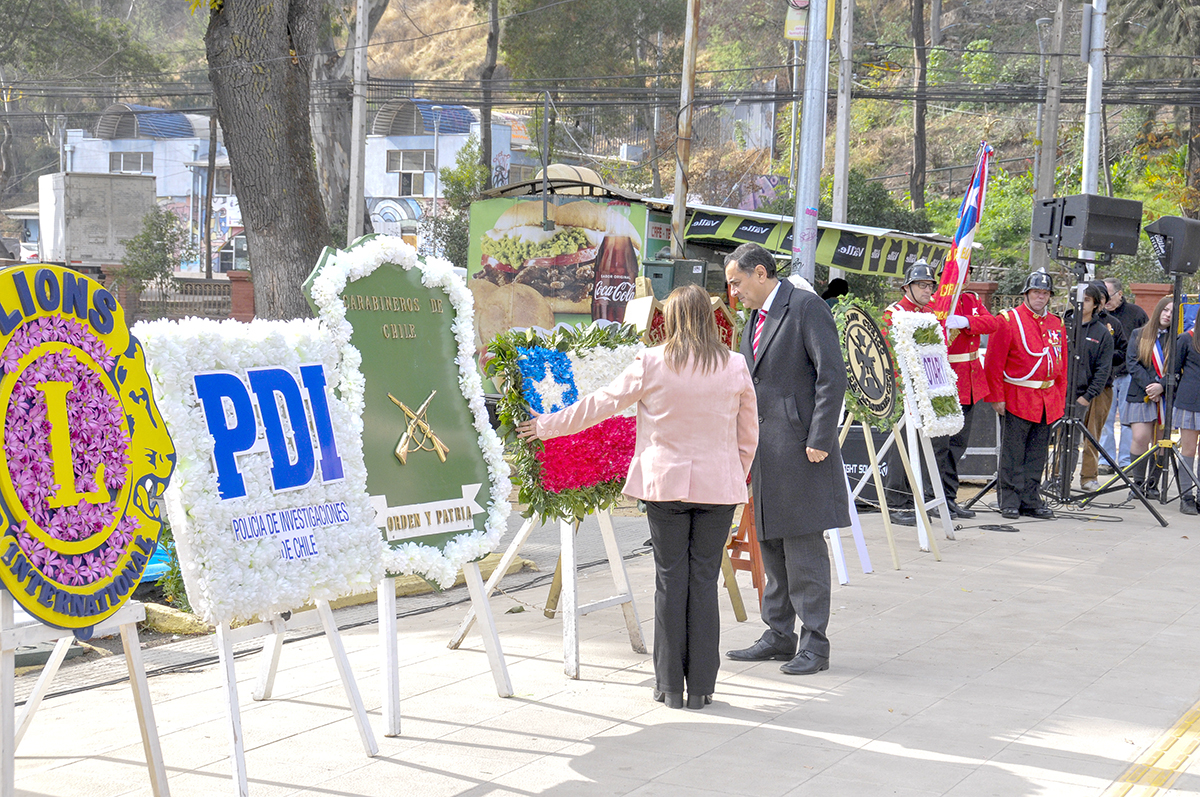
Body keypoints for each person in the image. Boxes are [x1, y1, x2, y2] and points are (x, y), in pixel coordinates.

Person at [517, 284, 758, 710]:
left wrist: (546, 425)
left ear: (672, 319)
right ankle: (702, 687)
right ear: (708, 317)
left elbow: (601, 404)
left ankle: (668, 687)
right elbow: (748, 435)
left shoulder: (651, 362)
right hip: (719, 489)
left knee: (669, 582)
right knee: (703, 583)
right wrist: (733, 474)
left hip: (663, 486)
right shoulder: (736, 365)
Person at [722, 242, 850, 676]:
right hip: (763, 449)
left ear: (761, 273)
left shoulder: (806, 308)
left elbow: (832, 375)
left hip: (801, 448)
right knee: (771, 543)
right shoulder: (755, 318)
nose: (733, 291)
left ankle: (815, 643)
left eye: (737, 282)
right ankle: (778, 633)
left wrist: (820, 436)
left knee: (803, 548)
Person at [984, 269, 1067, 520]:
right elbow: (993, 362)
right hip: (1017, 396)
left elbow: (1060, 365)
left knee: (1037, 453)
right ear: (1026, 294)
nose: (1040, 297)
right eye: (1036, 292)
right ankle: (1009, 500)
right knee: (1013, 453)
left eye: (1045, 293)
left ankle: (1030, 499)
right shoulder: (1008, 320)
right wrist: (997, 396)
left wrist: (1059, 400)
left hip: (1046, 399)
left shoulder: (1056, 323)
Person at [938, 269, 1002, 519]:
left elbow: (992, 323)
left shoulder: (971, 301)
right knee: (943, 446)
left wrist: (966, 322)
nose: (962, 278)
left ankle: (950, 497)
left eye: (967, 273)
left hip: (970, 382)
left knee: (958, 445)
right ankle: (938, 497)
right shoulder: (936, 302)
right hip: (947, 380)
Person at [880, 261, 937, 525]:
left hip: (924, 390)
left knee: (924, 448)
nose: (928, 290)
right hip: (903, 390)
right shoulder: (895, 313)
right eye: (922, 285)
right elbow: (886, 352)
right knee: (901, 448)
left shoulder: (928, 313)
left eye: (930, 285)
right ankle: (896, 503)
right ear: (908, 287)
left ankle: (915, 498)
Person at [1062, 281, 1114, 492]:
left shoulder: (1102, 332)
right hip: (1059, 394)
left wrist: (1088, 395)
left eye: (1087, 300)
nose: (1082, 304)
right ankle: (1057, 478)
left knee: (1082, 438)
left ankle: (1081, 478)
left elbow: (1104, 368)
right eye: (1079, 299)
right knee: (1060, 441)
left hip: (1085, 395)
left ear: (1095, 304)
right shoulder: (1061, 325)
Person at [1123, 296, 1174, 499]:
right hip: (1141, 394)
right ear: (1158, 310)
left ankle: (1152, 485)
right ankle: (1137, 484)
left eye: (1172, 312)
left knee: (1161, 442)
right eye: (1165, 310)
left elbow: (1176, 368)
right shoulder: (1139, 334)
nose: (1168, 315)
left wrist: (1161, 386)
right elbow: (1132, 363)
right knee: (1141, 437)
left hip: (1165, 397)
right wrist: (1150, 387)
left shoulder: (1177, 339)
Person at [1098, 278, 1149, 472]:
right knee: (1105, 420)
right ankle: (1105, 460)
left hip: (1130, 375)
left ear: (1120, 294)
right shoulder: (1099, 316)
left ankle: (1126, 461)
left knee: (1128, 421)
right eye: (1102, 297)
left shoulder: (1136, 313)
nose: (1105, 301)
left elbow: (1147, 342)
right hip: (1106, 377)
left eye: (1108, 296)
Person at [1172, 318, 1200, 515]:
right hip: (1190, 400)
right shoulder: (1186, 339)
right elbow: (1173, 370)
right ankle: (1186, 496)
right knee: (1189, 449)